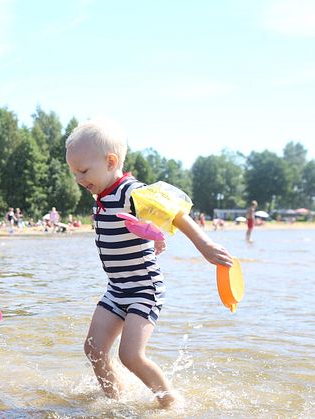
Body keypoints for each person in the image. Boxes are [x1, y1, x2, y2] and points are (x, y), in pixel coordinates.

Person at [64, 119, 233, 408]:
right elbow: (141, 225)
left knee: (130, 356)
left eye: (83, 171)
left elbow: (174, 213)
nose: (79, 179)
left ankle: (170, 401)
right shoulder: (102, 195)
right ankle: (114, 401)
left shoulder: (130, 191)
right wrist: (153, 236)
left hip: (145, 289)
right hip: (117, 289)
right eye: (74, 173)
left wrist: (204, 245)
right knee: (93, 349)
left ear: (111, 161)